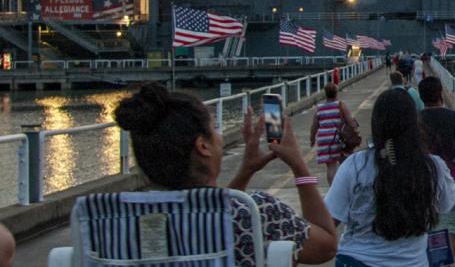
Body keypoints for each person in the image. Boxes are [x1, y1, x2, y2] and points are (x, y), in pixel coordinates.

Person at [113, 82, 337, 266]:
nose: (219, 137)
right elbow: (326, 245)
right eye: (214, 129)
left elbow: (215, 209)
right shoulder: (256, 212)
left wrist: (245, 172)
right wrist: (299, 165)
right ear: (203, 146)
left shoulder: (121, 223)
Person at [325, 88, 455, 266]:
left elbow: (328, 220)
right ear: (415, 123)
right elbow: (446, 204)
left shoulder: (355, 165)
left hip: (356, 260)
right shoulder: (432, 167)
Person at [418, 76, 455, 256]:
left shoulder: (415, 120)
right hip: (453, 184)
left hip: (422, 183)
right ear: (441, 93)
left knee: (426, 229)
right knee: (449, 231)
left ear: (422, 97)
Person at [309, 83, 356, 185]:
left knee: (331, 167)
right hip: (337, 139)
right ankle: (342, 187)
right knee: (344, 164)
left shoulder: (319, 108)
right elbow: (350, 121)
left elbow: (314, 126)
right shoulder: (340, 105)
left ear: (326, 94)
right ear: (336, 93)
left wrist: (312, 139)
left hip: (324, 139)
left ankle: (332, 189)